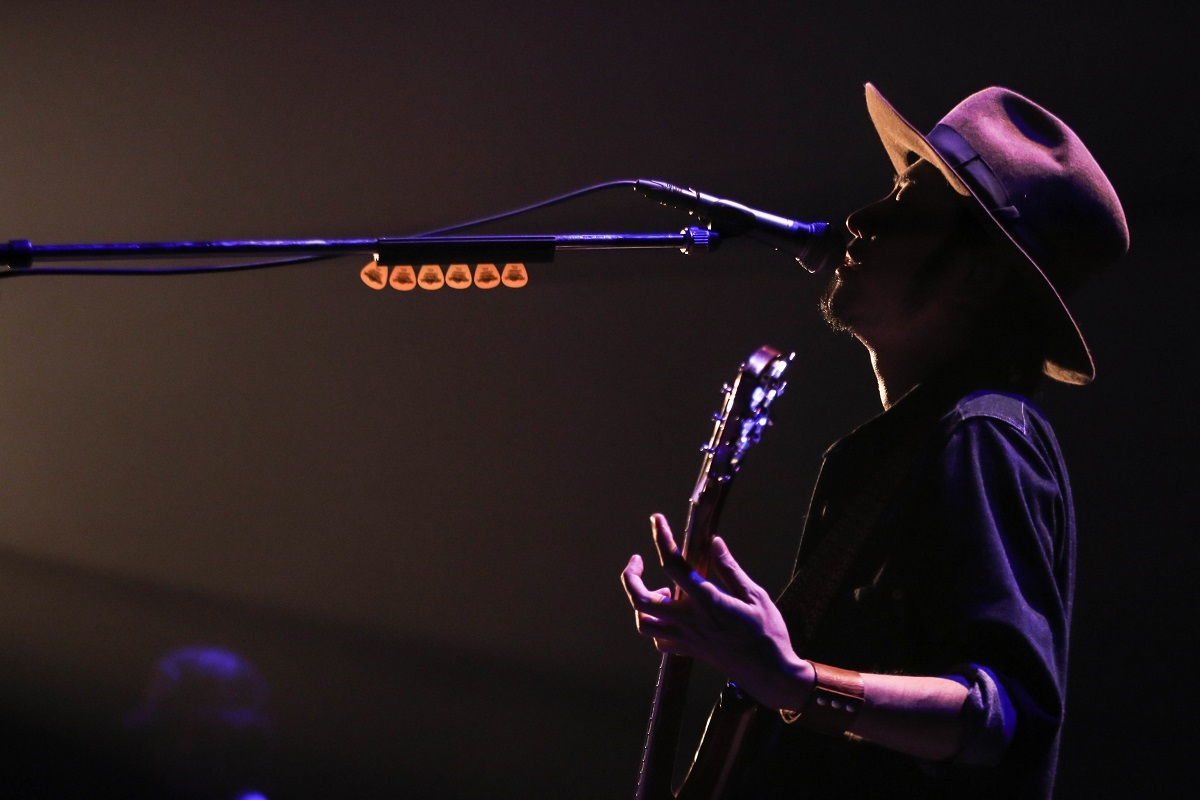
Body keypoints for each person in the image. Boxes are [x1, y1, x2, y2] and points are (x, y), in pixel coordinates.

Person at [621, 82, 1128, 799]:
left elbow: (1003, 716)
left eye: (905, 207)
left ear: (978, 273)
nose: (859, 220)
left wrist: (796, 681)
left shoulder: (984, 437)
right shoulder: (904, 450)